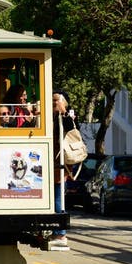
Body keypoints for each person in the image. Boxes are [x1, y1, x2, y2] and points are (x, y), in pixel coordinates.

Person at [51, 89, 79, 249]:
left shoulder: (67, 118)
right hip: (51, 165)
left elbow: (72, 133)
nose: (53, 104)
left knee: (58, 198)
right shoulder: (53, 118)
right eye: (52, 101)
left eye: (56, 101)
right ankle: (54, 230)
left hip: (60, 167)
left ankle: (61, 233)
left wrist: (65, 113)